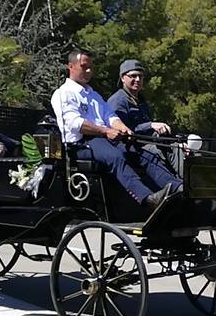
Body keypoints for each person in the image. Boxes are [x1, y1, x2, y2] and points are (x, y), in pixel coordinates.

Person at [50, 49, 182, 208]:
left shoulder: (94, 95)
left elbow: (111, 117)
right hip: (81, 144)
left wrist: (123, 129)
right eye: (84, 66)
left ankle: (177, 188)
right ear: (71, 66)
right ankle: (147, 197)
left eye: (91, 66)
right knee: (116, 156)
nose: (89, 70)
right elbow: (75, 124)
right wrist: (106, 131)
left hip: (104, 139)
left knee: (143, 153)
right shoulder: (63, 94)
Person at [107, 59, 182, 175]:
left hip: (150, 141)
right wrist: (151, 125)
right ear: (122, 78)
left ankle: (187, 185)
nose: (137, 80)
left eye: (140, 77)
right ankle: (173, 187)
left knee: (179, 148)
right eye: (133, 76)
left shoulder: (141, 101)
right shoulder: (118, 101)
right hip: (131, 148)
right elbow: (124, 132)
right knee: (156, 151)